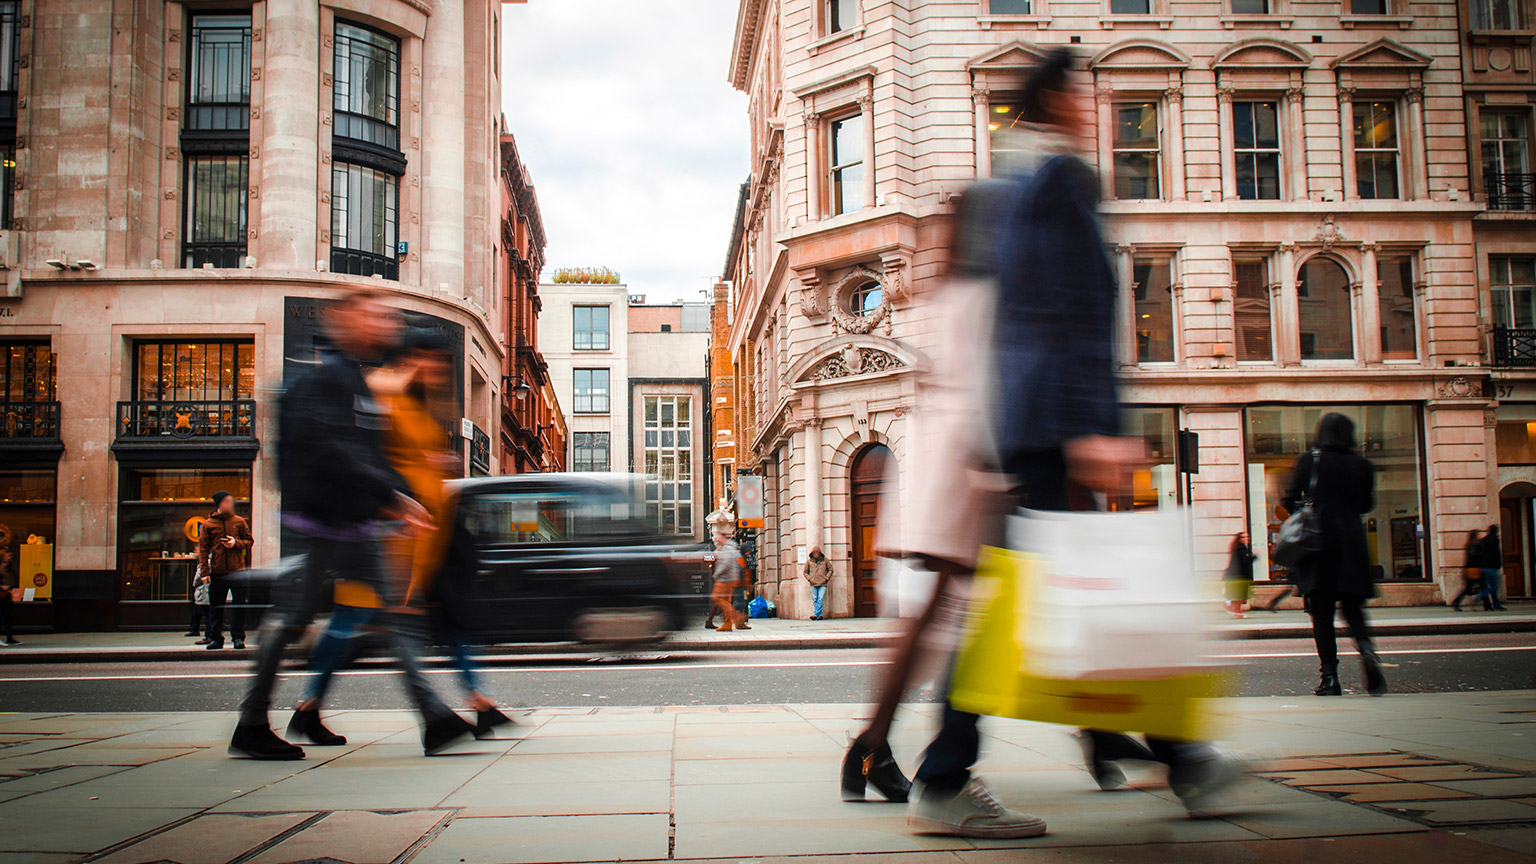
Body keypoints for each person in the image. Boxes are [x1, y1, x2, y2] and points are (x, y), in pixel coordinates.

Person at [229, 287, 475, 761]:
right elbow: (331, 451)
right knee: (293, 622)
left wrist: (399, 499)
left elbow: (371, 454)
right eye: (376, 316)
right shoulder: (331, 380)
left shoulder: (357, 382)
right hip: (324, 523)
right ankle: (253, 721)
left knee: (396, 618)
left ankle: (435, 718)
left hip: (356, 524)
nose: (388, 325)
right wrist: (395, 498)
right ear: (344, 320)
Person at [295, 329, 512, 741]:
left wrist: (435, 464)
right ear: (412, 356)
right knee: (361, 622)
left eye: (442, 362)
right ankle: (440, 716)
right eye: (430, 358)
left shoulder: (415, 400)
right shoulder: (385, 391)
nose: (438, 369)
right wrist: (411, 483)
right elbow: (368, 456)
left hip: (422, 535)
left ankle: (311, 707)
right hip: (388, 534)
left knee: (384, 622)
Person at [1281, 412, 1387, 698]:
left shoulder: (1310, 460)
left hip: (1318, 547)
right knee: (1354, 608)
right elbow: (1366, 504)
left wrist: (1306, 507)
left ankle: (1330, 678)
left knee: (1323, 614)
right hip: (1352, 545)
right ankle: (1366, 650)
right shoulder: (1362, 464)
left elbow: (1288, 499)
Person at [198, 490, 253, 650]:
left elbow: (249, 541)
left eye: (231, 501)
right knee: (216, 607)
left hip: (238, 571)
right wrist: (204, 572)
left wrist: (235, 543)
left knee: (239, 607)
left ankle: (238, 638)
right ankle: (216, 639)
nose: (230, 504)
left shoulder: (239, 521)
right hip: (217, 572)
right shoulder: (209, 524)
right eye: (227, 501)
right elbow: (203, 550)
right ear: (219, 504)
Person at [710, 527, 749, 632]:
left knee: (716, 598)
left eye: (717, 536)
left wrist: (716, 575)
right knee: (726, 600)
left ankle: (737, 616)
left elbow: (726, 563)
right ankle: (727, 624)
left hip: (724, 578)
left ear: (723, 537)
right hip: (730, 578)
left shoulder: (727, 548)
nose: (716, 538)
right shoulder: (728, 547)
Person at [1450, 529, 1490, 612]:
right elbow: (1477, 558)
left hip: (1469, 569)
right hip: (1476, 569)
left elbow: (1467, 559)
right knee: (1483, 587)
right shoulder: (1476, 545)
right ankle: (1487, 605)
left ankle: (1456, 602)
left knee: (1468, 588)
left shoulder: (1468, 545)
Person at [1474, 525, 1509, 611]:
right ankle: (1481, 597)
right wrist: (1499, 564)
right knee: (1493, 587)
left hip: (1483, 567)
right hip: (1492, 567)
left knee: (1488, 586)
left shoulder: (1482, 541)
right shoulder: (1495, 540)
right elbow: (1497, 553)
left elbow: (1478, 554)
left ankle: (1493, 604)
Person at [1223, 532, 1256, 618]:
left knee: (1239, 596)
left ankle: (1237, 612)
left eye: (1248, 537)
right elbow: (1244, 561)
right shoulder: (1240, 548)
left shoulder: (1238, 548)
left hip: (1236, 576)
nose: (1248, 538)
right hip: (1239, 576)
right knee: (1240, 596)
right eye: (1245, 537)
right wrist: (1255, 556)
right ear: (1240, 539)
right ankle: (1235, 611)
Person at [805, 547, 832, 620]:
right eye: (814, 553)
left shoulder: (825, 561)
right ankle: (819, 615)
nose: (816, 554)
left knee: (820, 599)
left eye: (817, 553)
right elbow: (805, 572)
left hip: (822, 583)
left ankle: (815, 614)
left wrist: (827, 578)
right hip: (813, 583)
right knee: (815, 599)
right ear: (812, 554)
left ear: (820, 553)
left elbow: (830, 569)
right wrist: (809, 579)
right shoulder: (809, 562)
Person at [0, 549, 18, 646]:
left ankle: (9, 638)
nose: (9, 557)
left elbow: (12, 579)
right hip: (1, 595)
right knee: (2, 617)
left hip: (7, 595)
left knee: (8, 618)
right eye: (8, 555)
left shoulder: (9, 568)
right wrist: (2, 587)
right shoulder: (1, 568)